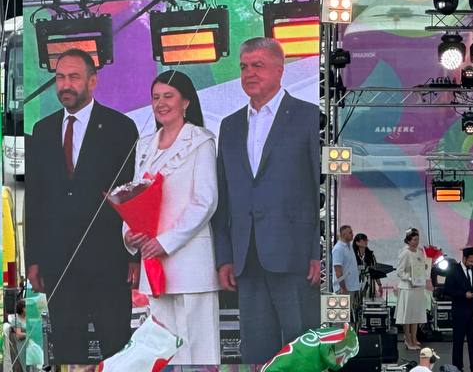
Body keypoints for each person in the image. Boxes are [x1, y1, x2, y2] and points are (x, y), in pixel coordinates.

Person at [211, 37, 322, 363]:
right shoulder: (230, 126)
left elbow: (322, 188)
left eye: (257, 65)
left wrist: (318, 251)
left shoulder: (309, 117)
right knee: (256, 353)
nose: (249, 73)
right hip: (246, 259)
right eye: (244, 67)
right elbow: (223, 197)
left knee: (301, 352)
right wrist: (224, 257)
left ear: (279, 70)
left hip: (296, 256)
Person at [24, 49, 138, 364]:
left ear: (93, 81)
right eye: (60, 77)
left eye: (74, 77)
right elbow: (36, 198)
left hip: (109, 263)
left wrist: (134, 256)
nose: (65, 85)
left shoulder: (120, 127)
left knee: (116, 353)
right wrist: (34, 258)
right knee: (68, 352)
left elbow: (131, 194)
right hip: (59, 264)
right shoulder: (43, 130)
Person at [122, 70, 220, 365]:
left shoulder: (201, 140)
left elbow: (205, 201)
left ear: (185, 101)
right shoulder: (144, 145)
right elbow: (133, 196)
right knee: (161, 350)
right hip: (153, 264)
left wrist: (165, 242)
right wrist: (129, 234)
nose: (161, 103)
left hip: (190, 262)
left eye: (168, 96)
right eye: (155, 97)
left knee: (198, 351)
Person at [444, 247, 473, 372]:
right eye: (471, 261)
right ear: (464, 258)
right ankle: (457, 367)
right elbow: (448, 290)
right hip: (459, 311)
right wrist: (463, 294)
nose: (472, 264)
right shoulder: (453, 270)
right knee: (458, 341)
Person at [396, 229, 430, 349]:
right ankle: (408, 339)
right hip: (408, 288)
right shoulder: (405, 253)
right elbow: (400, 272)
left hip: (418, 288)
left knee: (416, 315)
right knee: (408, 316)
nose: (416, 242)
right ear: (408, 240)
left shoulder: (420, 252)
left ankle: (414, 338)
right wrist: (410, 278)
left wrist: (425, 267)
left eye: (417, 239)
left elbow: (421, 266)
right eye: (414, 240)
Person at [333, 225, 361, 308]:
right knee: (342, 312)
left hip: (351, 287)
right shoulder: (338, 249)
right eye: (350, 232)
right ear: (344, 234)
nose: (352, 234)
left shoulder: (349, 247)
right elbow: (338, 271)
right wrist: (343, 288)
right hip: (343, 289)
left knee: (348, 312)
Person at [353, 233, 380, 301]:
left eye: (366, 240)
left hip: (369, 282)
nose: (366, 242)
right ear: (357, 243)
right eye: (363, 240)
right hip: (356, 282)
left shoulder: (370, 254)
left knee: (368, 301)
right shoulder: (352, 254)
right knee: (356, 302)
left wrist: (379, 285)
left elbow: (375, 270)